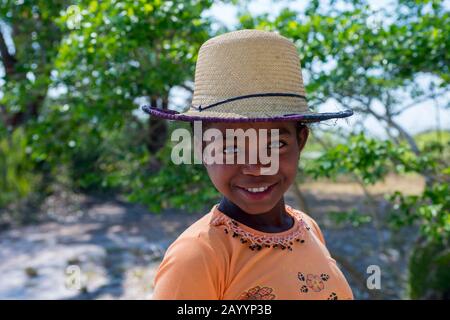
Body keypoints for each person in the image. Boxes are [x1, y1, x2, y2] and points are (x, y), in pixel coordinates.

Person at [142, 29, 354, 300]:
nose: (256, 167)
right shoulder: (198, 255)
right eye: (231, 148)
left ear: (300, 141)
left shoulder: (308, 228)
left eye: (275, 145)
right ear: (202, 149)